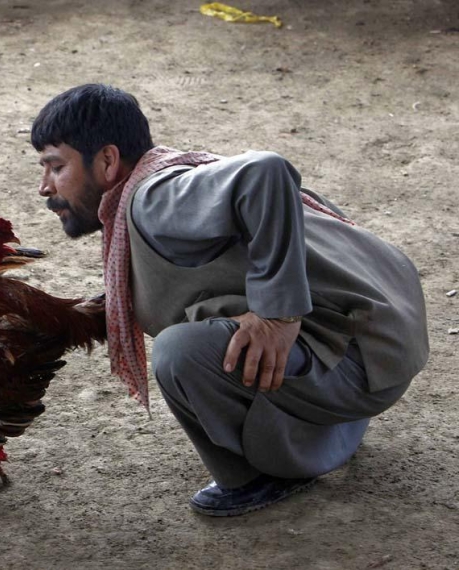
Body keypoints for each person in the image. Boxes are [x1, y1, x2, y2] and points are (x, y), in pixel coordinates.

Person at [31, 84, 428, 517]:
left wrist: (278, 315)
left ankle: (257, 479)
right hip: (381, 337)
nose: (44, 187)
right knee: (211, 325)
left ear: (107, 161)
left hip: (364, 359)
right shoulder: (165, 176)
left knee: (180, 352)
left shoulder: (154, 198)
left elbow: (266, 172)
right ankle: (324, 422)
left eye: (56, 167)